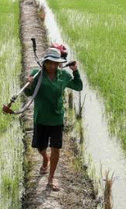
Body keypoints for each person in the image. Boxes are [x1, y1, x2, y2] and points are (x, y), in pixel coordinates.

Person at [24, 46, 83, 191]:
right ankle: (45, 158)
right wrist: (30, 84)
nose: (51, 66)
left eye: (54, 63)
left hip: (56, 117)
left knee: (56, 148)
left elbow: (78, 86)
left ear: (58, 64)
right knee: (40, 147)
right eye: (49, 62)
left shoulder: (63, 75)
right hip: (41, 116)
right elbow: (28, 93)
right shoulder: (36, 74)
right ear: (44, 63)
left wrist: (75, 71)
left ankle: (51, 178)